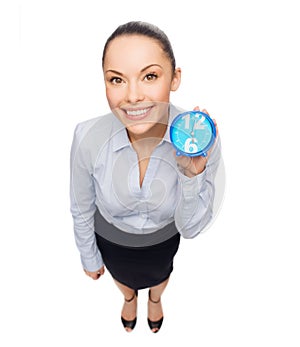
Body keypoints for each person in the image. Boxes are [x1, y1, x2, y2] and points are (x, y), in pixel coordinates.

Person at [70, 21, 221, 333]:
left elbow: (190, 229)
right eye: (117, 80)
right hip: (113, 239)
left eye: (150, 76)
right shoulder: (87, 136)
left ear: (175, 78)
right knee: (123, 281)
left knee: (161, 275)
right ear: (105, 83)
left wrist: (191, 175)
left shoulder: (200, 138)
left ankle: (154, 299)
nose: (133, 96)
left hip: (163, 239)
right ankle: (128, 298)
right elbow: (81, 205)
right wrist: (89, 256)